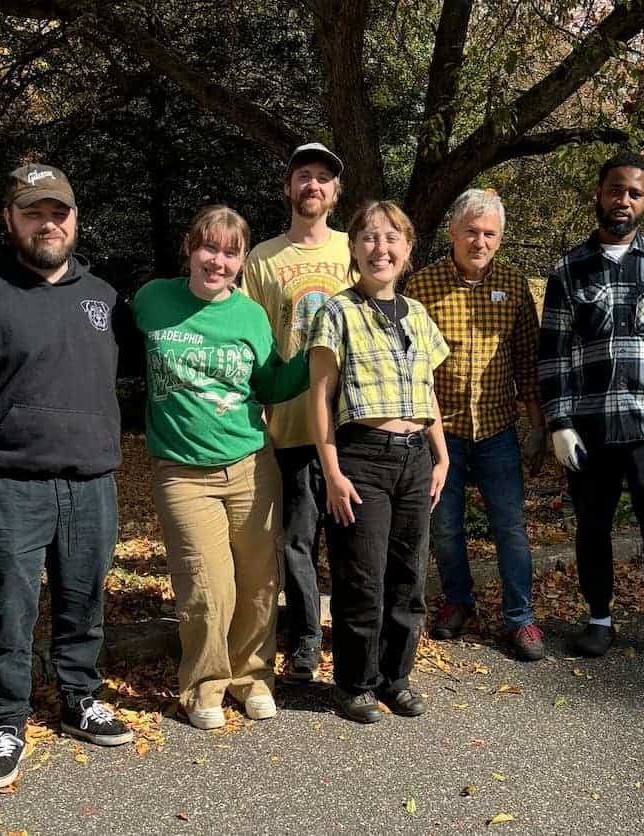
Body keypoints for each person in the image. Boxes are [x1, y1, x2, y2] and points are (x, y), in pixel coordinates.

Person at [0, 163, 133, 791]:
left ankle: (79, 696)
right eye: (33, 213)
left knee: (84, 601)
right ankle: (7, 722)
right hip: (5, 486)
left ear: (75, 219)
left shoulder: (103, 298)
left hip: (90, 484)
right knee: (8, 612)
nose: (48, 224)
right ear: (11, 220)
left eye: (58, 212)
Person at [133, 205, 308, 730]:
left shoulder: (250, 315)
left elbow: (271, 385)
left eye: (231, 252)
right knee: (207, 587)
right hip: (183, 472)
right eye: (209, 247)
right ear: (189, 247)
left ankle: (253, 678)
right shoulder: (152, 300)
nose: (218, 260)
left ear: (240, 260)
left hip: (252, 465)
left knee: (258, 582)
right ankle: (204, 685)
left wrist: (317, 353)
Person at [538, 152, 644, 667]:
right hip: (591, 429)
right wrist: (560, 422)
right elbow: (554, 355)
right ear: (599, 193)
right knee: (592, 529)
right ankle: (599, 620)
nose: (623, 201)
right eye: (616, 190)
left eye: (634, 193)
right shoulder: (569, 269)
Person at [307, 200, 450, 723]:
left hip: (415, 459)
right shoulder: (337, 312)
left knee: (407, 579)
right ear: (354, 248)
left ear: (408, 250)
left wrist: (442, 456)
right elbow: (319, 398)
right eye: (368, 237)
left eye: (391, 238)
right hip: (361, 459)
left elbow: (427, 391)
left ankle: (397, 678)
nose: (380, 248)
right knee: (362, 580)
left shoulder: (419, 315)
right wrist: (333, 472)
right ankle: (355, 684)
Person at [404, 189, 548, 661]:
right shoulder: (422, 287)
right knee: (446, 526)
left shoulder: (513, 284)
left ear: (500, 240)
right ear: (452, 232)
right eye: (471, 231)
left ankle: (520, 618)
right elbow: (410, 365)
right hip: (439, 433)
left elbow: (528, 359)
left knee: (510, 527)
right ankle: (457, 602)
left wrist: (536, 426)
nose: (479, 241)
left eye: (489, 234)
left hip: (496, 430)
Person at [242, 142, 352, 680]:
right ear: (288, 188)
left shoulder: (357, 250)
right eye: (303, 176)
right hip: (288, 424)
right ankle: (306, 639)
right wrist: (257, 411)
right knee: (297, 544)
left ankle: (358, 640)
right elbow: (253, 344)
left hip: (353, 423)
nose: (313, 185)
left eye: (323, 178)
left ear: (335, 193)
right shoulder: (263, 258)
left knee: (354, 543)